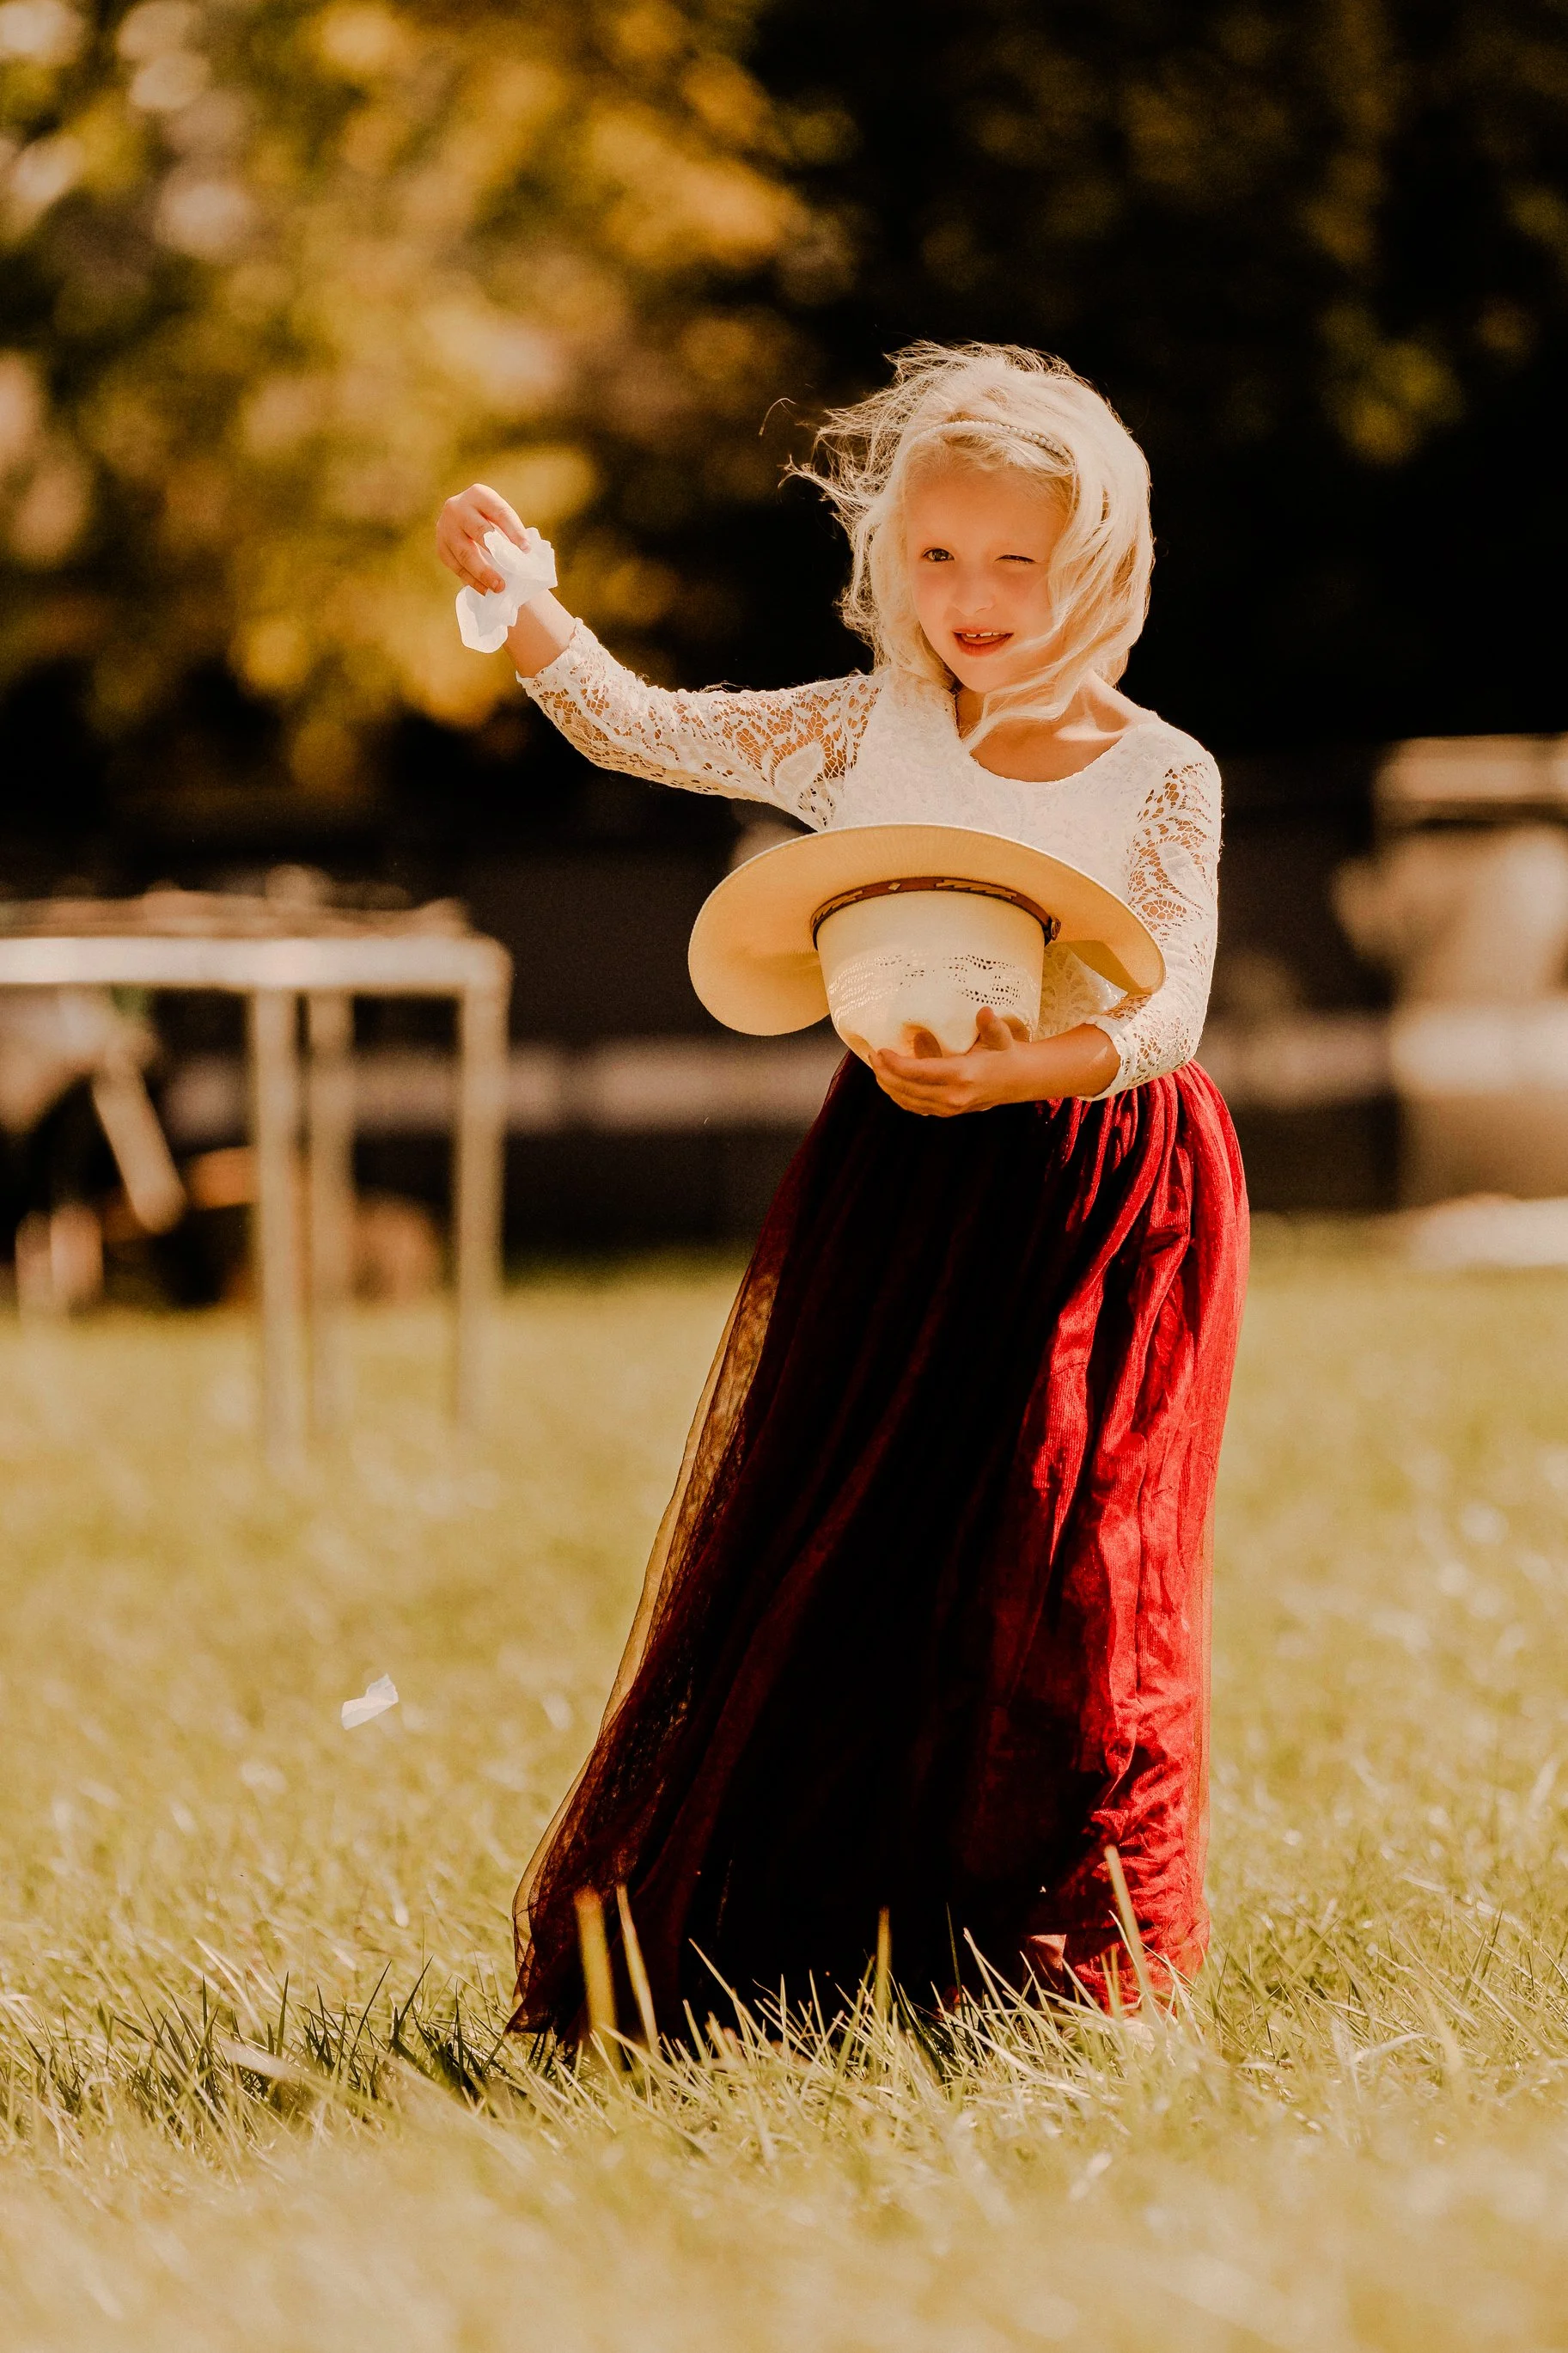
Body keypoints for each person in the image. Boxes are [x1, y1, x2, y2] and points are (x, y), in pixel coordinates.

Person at [436, 341, 1249, 2033]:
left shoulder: (1159, 771)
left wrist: (1027, 1067)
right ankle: (817, 1924)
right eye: (937, 557)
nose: (973, 596)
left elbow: (1165, 1001)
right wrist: (527, 607)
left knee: (1065, 1534)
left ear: (1096, 562)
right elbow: (650, 729)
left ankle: (1058, 1957)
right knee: (861, 1518)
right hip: (904, 1160)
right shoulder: (862, 731)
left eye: (1016, 559)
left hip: (1102, 1164)